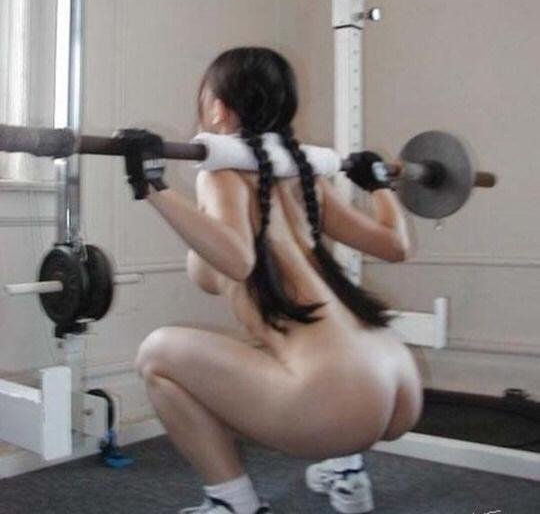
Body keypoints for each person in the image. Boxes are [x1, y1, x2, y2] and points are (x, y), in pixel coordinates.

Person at [117, 47, 423, 514]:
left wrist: (152, 187)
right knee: (267, 348)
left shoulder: (221, 175)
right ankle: (346, 470)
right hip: (398, 382)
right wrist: (378, 184)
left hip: (336, 404)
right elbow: (395, 245)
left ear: (218, 109)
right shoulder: (304, 177)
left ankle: (232, 502)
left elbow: (237, 261)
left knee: (157, 354)